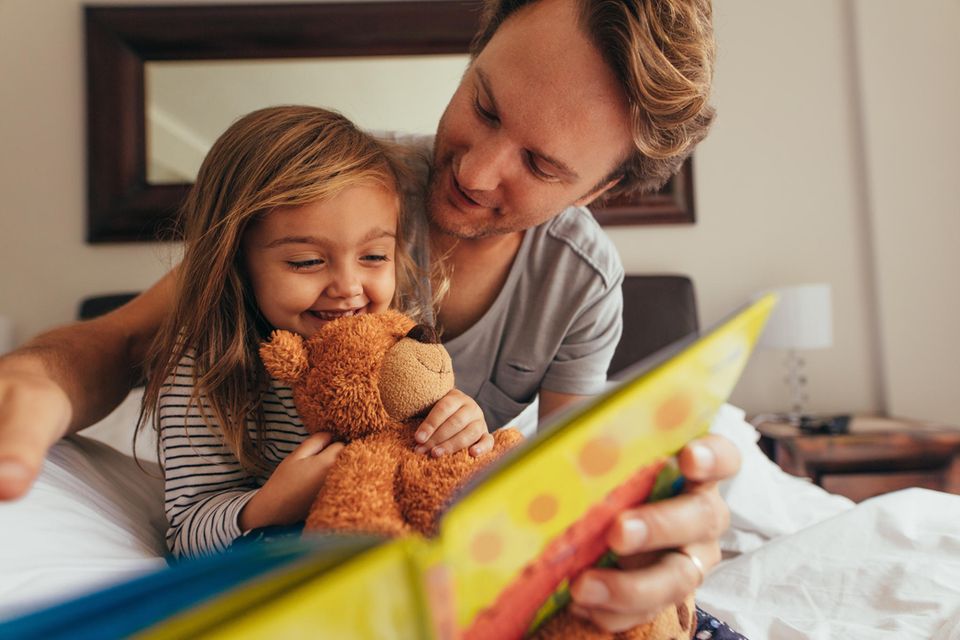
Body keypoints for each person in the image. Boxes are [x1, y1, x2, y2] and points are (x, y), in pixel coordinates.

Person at [0, 0, 740, 631]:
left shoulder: (579, 282)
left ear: (600, 190)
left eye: (541, 166)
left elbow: (569, 483)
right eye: (483, 106)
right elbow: (119, 341)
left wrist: (656, 534)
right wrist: (32, 377)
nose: (477, 172)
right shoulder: (339, 197)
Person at [141, 105, 494, 558]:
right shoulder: (201, 375)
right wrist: (270, 504)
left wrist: (462, 429)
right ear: (236, 262)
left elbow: (436, 469)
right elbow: (187, 532)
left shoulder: (396, 346)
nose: (348, 288)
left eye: (373, 257)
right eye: (306, 262)